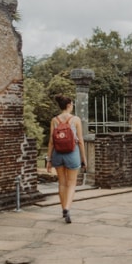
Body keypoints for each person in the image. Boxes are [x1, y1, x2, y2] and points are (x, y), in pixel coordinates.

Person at [45, 95, 86, 223]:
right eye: (72, 104)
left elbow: (51, 142)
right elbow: (80, 142)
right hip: (72, 153)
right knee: (72, 183)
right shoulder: (76, 119)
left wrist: (49, 160)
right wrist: (83, 159)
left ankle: (63, 209)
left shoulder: (54, 120)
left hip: (58, 154)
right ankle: (67, 208)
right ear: (69, 105)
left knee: (62, 183)